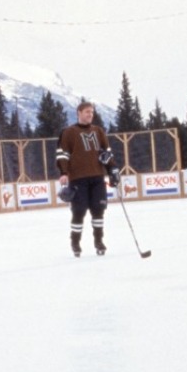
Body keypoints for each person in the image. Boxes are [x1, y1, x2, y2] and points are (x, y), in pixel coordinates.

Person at [56, 101, 119, 257]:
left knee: (99, 211)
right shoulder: (69, 132)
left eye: (92, 112)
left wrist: (112, 169)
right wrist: (63, 172)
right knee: (79, 212)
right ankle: (75, 243)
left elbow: (107, 151)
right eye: (87, 112)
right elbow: (62, 154)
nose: (90, 115)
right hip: (78, 179)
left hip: (97, 177)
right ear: (79, 113)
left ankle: (99, 241)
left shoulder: (98, 131)